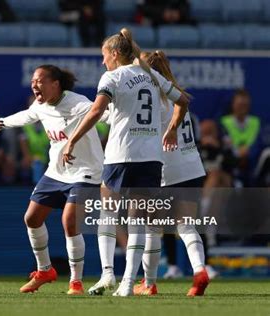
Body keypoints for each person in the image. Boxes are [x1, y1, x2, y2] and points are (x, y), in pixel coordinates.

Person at [62, 28, 189, 296]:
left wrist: (72, 140)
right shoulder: (152, 76)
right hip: (151, 159)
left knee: (107, 214)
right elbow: (183, 100)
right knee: (138, 222)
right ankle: (129, 284)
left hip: (120, 156)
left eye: (104, 55)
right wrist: (174, 127)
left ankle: (107, 274)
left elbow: (97, 110)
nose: (102, 61)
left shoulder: (112, 76)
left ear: (115, 54)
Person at [0, 64, 104, 295]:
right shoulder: (40, 105)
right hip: (56, 172)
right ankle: (45, 270)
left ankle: (76, 282)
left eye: (40, 80)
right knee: (31, 218)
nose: (34, 84)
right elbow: (25, 117)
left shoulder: (77, 102)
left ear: (56, 84)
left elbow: (99, 111)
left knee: (69, 222)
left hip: (86, 171)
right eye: (33, 81)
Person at [130, 50, 209, 297]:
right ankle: (199, 271)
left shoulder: (150, 97)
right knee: (187, 226)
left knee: (154, 229)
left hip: (165, 169)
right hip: (192, 167)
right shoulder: (178, 93)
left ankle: (149, 283)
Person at [220, 89, 261, 185]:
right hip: (232, 165)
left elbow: (260, 144)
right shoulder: (223, 122)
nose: (242, 108)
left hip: (252, 165)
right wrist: (237, 153)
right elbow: (223, 144)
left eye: (245, 105)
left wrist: (249, 152)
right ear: (233, 104)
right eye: (239, 104)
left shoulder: (257, 122)